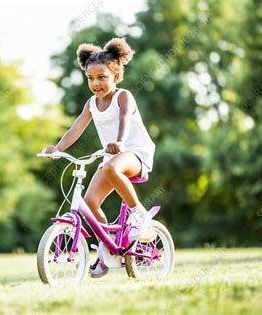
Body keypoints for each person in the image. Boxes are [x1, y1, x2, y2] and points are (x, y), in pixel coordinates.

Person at [42, 38, 156, 278]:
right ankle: (109, 246)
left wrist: (120, 141)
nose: (96, 83)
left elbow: (124, 119)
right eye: (91, 78)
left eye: (102, 77)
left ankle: (139, 213)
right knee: (89, 204)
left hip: (134, 152)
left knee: (112, 168)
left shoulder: (123, 97)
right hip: (112, 157)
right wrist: (58, 148)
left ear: (116, 75)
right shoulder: (91, 104)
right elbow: (76, 129)